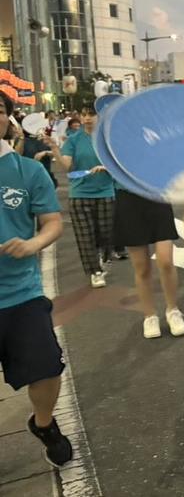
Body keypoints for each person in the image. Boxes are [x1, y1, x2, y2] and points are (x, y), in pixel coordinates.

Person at [0, 92, 73, 468]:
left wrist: (33, 244)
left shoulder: (26, 171)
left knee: (46, 369)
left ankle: (43, 424)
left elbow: (52, 222)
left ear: (8, 119)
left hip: (20, 294)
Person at [49, 104, 115, 288]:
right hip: (79, 193)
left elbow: (119, 163)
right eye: (84, 114)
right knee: (85, 237)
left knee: (106, 234)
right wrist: (55, 149)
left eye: (91, 114)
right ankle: (95, 272)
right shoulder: (73, 139)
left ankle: (106, 257)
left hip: (105, 192)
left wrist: (106, 167)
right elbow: (67, 166)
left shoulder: (107, 138)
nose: (87, 118)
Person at [112, 185, 184, 339]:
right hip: (128, 198)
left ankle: (173, 310)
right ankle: (150, 316)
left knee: (166, 261)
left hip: (157, 194)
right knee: (142, 267)